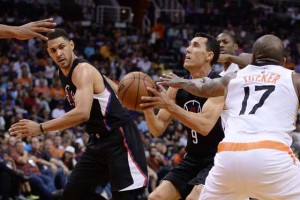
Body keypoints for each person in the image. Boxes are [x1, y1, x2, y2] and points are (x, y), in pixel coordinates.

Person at [9, 28, 148, 200]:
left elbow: (82, 114)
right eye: (53, 50)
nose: (58, 53)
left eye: (62, 47)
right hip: (98, 141)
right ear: (49, 53)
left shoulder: (82, 70)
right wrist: (118, 90)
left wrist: (40, 127)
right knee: (73, 194)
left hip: (120, 138)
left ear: (71, 45)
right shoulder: (63, 72)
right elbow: (105, 81)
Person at [158, 34, 300, 200]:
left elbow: (204, 86)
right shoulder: (294, 79)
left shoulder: (233, 78)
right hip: (271, 154)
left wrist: (180, 82)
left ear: (254, 58)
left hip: (228, 156)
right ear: (283, 61)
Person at [140, 33, 225, 200]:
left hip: (218, 158)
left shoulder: (219, 85)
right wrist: (146, 106)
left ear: (209, 56)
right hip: (192, 158)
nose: (187, 49)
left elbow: (205, 126)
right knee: (155, 197)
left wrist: (169, 105)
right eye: (189, 45)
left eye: (195, 45)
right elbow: (157, 129)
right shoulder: (178, 86)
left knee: (194, 198)